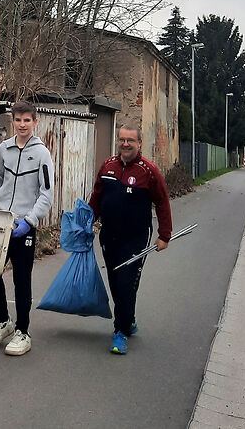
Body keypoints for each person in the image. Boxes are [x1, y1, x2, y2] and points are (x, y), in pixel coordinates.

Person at [0, 100, 54, 356]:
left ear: (35, 121)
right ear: (13, 121)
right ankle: (2, 320)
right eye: (18, 120)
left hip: (23, 225)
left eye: (26, 120)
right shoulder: (4, 149)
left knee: (22, 278)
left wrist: (29, 221)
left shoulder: (42, 153)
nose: (22, 125)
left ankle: (23, 331)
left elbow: (46, 194)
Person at [88, 124, 172, 355]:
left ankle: (120, 331)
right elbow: (96, 197)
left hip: (136, 237)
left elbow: (162, 202)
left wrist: (164, 235)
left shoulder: (148, 171)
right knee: (116, 282)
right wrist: (85, 223)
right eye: (122, 139)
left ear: (139, 143)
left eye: (130, 141)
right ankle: (129, 319)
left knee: (126, 282)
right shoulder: (108, 166)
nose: (125, 144)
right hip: (109, 235)